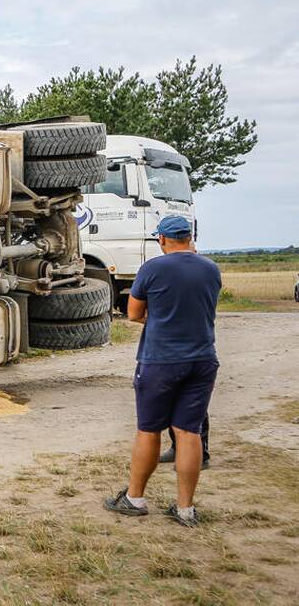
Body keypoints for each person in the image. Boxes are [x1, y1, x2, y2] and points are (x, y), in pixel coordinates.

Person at [104, 215, 221, 527]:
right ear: (190, 237)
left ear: (163, 240)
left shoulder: (153, 268)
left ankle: (135, 498)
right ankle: (185, 509)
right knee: (188, 432)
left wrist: (158, 320)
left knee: (149, 429)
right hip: (203, 359)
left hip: (161, 360)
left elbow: (133, 314)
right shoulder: (211, 268)